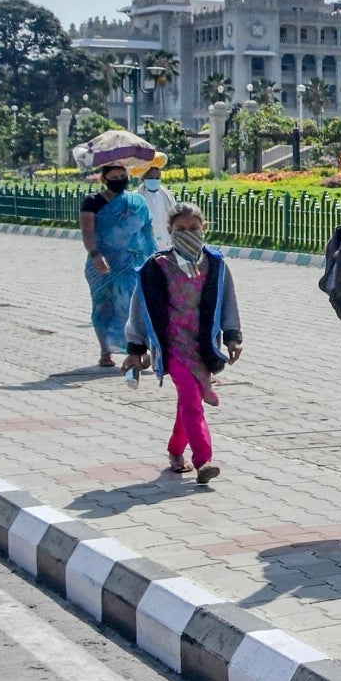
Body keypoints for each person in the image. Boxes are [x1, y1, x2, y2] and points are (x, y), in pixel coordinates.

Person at [124, 202, 240, 485]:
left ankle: (176, 449)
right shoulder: (156, 267)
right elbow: (140, 310)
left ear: (204, 229)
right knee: (190, 398)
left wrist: (233, 336)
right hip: (173, 345)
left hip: (202, 346)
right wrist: (135, 349)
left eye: (193, 228)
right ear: (169, 232)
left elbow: (227, 303)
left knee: (188, 403)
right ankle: (204, 460)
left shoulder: (215, 265)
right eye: (181, 230)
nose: (188, 234)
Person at [80, 160, 157, 367]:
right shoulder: (92, 201)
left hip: (133, 263)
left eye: (122, 177)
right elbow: (88, 233)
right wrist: (96, 254)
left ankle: (139, 349)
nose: (119, 181)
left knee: (133, 306)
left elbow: (147, 231)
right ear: (104, 179)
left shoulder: (137, 202)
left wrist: (155, 257)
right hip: (102, 265)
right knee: (103, 306)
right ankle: (106, 350)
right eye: (114, 178)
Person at [138, 157, 176, 253]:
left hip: (166, 238)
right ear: (143, 178)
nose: (154, 180)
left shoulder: (166, 195)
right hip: (146, 241)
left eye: (157, 178)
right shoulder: (137, 197)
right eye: (150, 178)